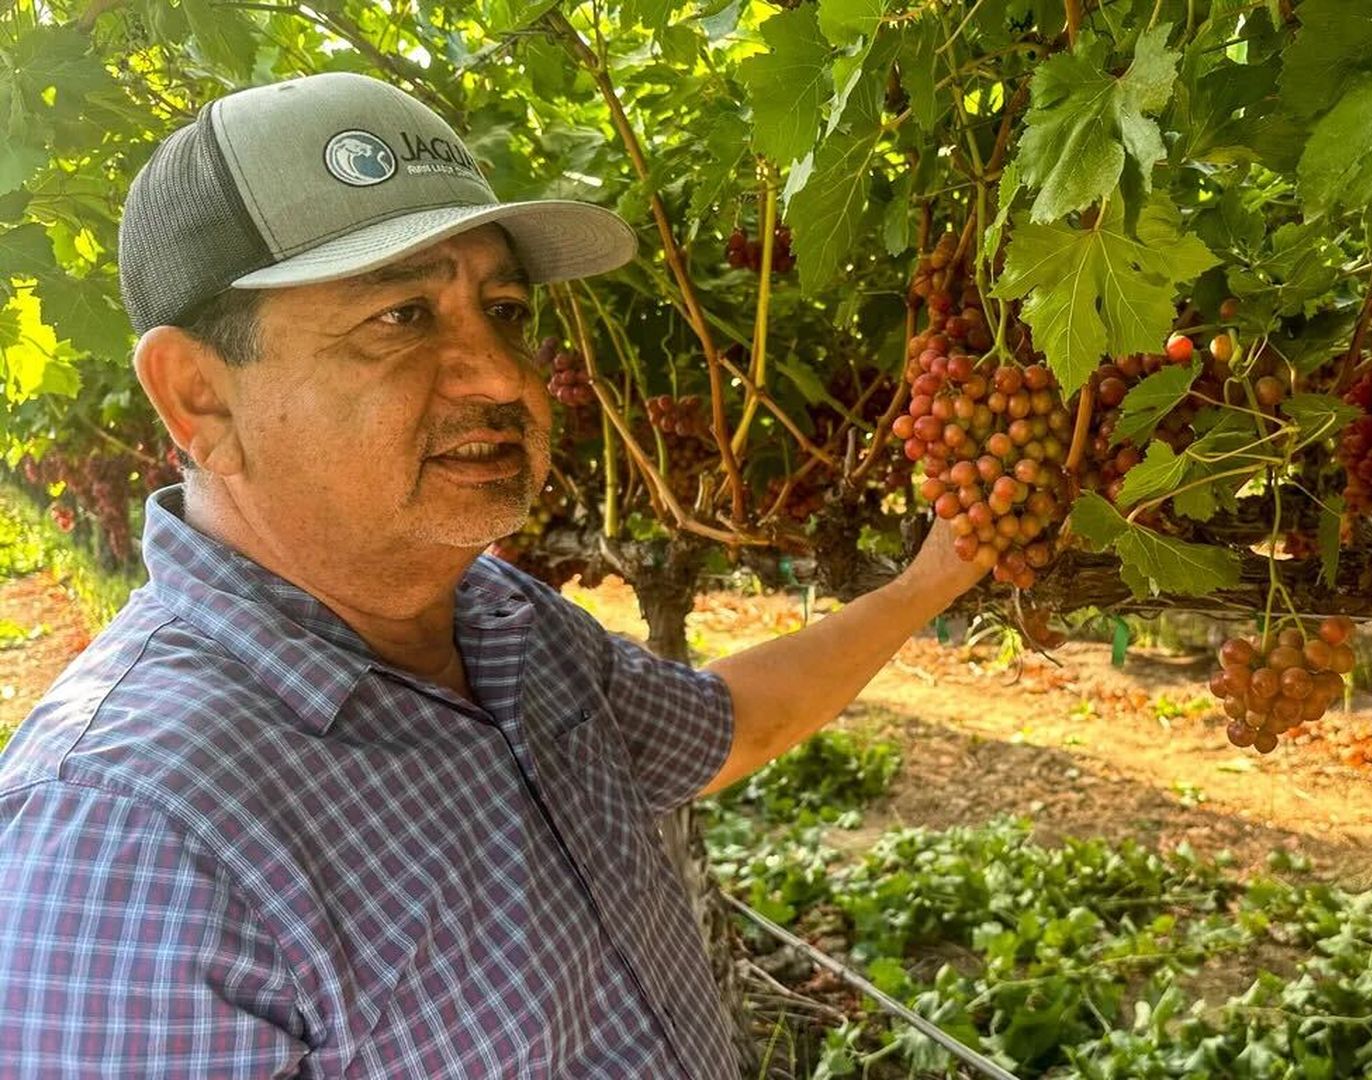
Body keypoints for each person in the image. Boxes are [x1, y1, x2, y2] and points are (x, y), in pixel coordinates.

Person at [0, 71, 989, 1078]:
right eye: (401, 316)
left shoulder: (505, 620)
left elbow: (723, 727)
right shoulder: (126, 839)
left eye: (506, 307)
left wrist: (927, 584)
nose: (504, 374)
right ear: (198, 397)